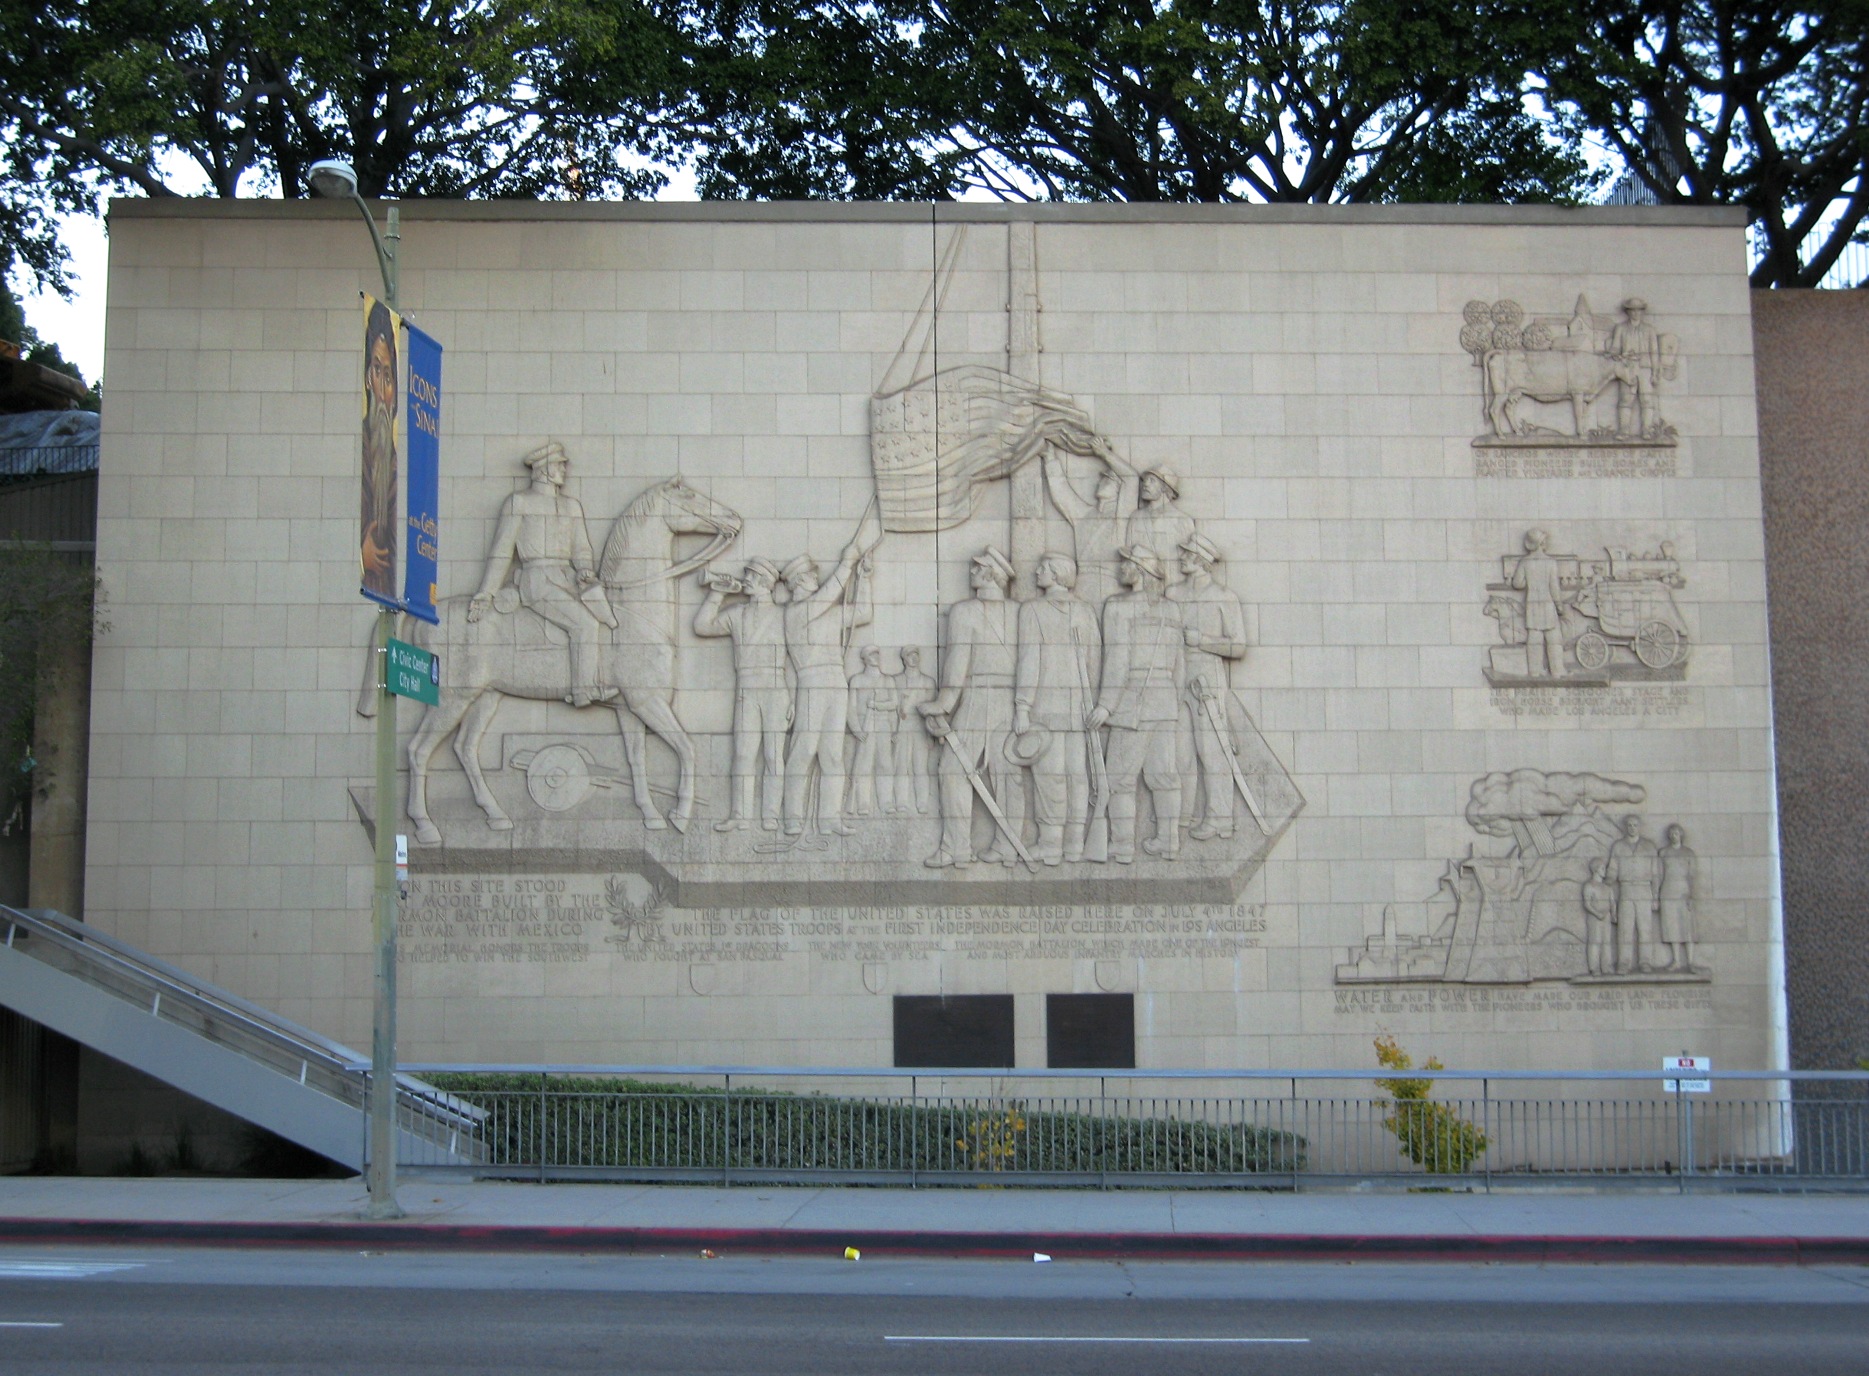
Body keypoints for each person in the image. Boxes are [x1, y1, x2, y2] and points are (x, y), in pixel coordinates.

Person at [469, 442, 617, 708]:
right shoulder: (519, 502)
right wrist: (486, 593)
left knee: (607, 617)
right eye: (559, 465)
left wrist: (584, 568)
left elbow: (582, 548)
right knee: (585, 625)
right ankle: (583, 690)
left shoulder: (572, 506)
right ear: (545, 470)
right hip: (537, 580)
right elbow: (502, 551)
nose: (564, 470)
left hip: (568, 579)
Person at [920, 547, 1023, 868]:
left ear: (992, 574)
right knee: (1009, 775)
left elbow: (957, 664)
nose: (971, 573)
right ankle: (1006, 848)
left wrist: (943, 705)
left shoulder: (965, 611)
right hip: (1013, 699)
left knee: (952, 770)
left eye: (977, 569)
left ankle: (957, 848)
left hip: (980, 696)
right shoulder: (1021, 611)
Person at [1089, 545, 1185, 862]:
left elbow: (1117, 660)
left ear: (1140, 570)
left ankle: (1122, 844)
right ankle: (1169, 841)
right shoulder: (1172, 610)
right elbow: (1179, 665)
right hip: (1166, 701)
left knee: (1119, 778)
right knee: (1163, 776)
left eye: (1126, 564)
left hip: (1133, 702)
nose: (1121, 568)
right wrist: (1174, 699)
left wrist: (1105, 705)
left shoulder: (1117, 606)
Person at [781, 531, 877, 836]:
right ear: (798, 581)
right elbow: (826, 595)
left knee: (833, 755)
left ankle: (829, 818)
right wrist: (846, 564)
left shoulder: (829, 612)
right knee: (804, 750)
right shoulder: (796, 613)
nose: (815, 578)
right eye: (811, 575)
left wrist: (863, 579)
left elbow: (863, 613)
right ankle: (793, 816)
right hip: (811, 683)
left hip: (836, 683)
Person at [1014, 552, 1103, 865]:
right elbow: (1095, 663)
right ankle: (1072, 845)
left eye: (1044, 568)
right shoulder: (1085, 611)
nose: (1037, 571)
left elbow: (1030, 661)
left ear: (1057, 575)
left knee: (1054, 777)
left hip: (1048, 707)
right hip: (1080, 708)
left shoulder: (1033, 610)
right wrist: (1093, 703)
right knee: (1075, 777)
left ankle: (1055, 845)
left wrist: (1022, 706)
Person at [693, 558, 789, 831]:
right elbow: (702, 627)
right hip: (746, 687)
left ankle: (770, 814)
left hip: (776, 688)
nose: (745, 579)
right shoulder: (737, 613)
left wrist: (792, 697)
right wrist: (717, 593)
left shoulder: (783, 614)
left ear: (765, 582)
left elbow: (797, 656)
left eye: (750, 575)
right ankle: (740, 815)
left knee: (773, 756)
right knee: (743, 754)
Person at [1169, 533, 1247, 840]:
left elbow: (1238, 646)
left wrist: (1204, 641)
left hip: (1207, 678)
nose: (1182, 558)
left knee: (1211, 750)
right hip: (1176, 675)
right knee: (1180, 751)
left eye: (1187, 554)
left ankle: (1220, 818)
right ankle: (1182, 815)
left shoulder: (1223, 597)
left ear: (1201, 561)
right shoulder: (1173, 594)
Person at [1041, 438, 1136, 607]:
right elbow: (1062, 496)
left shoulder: (1121, 515)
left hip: (1110, 583)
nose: (1101, 482)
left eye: (1108, 480)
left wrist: (1104, 454)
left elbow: (1132, 478)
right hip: (1082, 584)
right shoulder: (1085, 514)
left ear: (1119, 488)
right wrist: (1050, 460)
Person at [360, 300, 398, 600]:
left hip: (386, 586)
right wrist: (363, 555)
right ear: (367, 379)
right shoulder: (361, 445)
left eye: (389, 376)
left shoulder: (393, 460)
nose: (383, 388)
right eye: (377, 370)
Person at [1604, 814, 1661, 973]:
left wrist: (1655, 897)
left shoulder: (1649, 846)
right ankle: (1624, 962)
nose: (1632, 828)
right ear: (1625, 827)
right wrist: (1606, 883)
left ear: (1639, 826)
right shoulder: (1618, 846)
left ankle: (1645, 962)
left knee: (1645, 929)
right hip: (1626, 890)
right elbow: (1613, 870)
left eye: (1635, 825)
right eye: (1629, 825)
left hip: (1644, 890)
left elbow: (1655, 874)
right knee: (1625, 928)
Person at [847, 645, 899, 817]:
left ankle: (886, 802)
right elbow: (851, 708)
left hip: (883, 727)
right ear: (864, 658)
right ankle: (863, 804)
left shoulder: (887, 680)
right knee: (864, 766)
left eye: (877, 653)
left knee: (885, 764)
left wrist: (877, 705)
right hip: (865, 728)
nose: (876, 656)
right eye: (871, 654)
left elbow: (894, 704)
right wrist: (856, 729)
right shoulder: (857, 680)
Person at [1124, 467, 1197, 588]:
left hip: (1172, 583)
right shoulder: (1136, 517)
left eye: (1152, 480)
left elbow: (1190, 556)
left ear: (1165, 487)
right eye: (1145, 481)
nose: (1145, 484)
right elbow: (1129, 551)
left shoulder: (1182, 519)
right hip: (1143, 586)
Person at [1512, 528, 1568, 678]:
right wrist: (1559, 605)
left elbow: (1517, 583)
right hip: (1547, 603)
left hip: (1532, 603)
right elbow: (1554, 587)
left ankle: (1534, 671)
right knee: (1553, 637)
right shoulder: (1550, 562)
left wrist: (1528, 583)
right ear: (1541, 543)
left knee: (1534, 637)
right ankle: (1557, 670)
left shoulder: (1525, 562)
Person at [1606, 296, 1664, 438]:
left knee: (1646, 400)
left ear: (1642, 312)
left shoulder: (1649, 330)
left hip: (1645, 368)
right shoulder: (1620, 328)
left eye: (1638, 310)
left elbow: (1654, 352)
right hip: (1627, 368)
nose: (1635, 313)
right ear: (1628, 312)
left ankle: (1646, 430)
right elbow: (1615, 348)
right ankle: (1624, 431)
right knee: (1626, 400)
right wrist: (1619, 354)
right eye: (1632, 310)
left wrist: (1655, 372)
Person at [893, 646, 936, 814]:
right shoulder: (896, 681)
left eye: (916, 654)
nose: (913, 658)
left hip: (920, 727)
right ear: (904, 659)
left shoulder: (928, 682)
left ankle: (922, 803)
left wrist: (931, 735)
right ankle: (901, 802)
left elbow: (933, 710)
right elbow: (894, 707)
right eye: (909, 655)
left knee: (920, 767)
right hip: (903, 726)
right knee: (901, 766)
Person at [1657, 823, 1698, 972]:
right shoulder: (1663, 853)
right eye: (1672, 833)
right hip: (1668, 891)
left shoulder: (1688, 853)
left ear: (1681, 835)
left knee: (1687, 928)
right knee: (1672, 927)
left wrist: (1691, 895)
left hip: (1683, 892)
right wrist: (1656, 895)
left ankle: (1691, 962)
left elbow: (1692, 876)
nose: (1674, 836)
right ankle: (1676, 960)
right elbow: (1658, 875)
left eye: (1676, 833)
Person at [1581, 858, 1616, 977]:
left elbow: (1612, 903)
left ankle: (1606, 966)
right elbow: (1587, 904)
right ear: (1596, 870)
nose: (1605, 871)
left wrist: (1613, 915)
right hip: (1594, 918)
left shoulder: (1607, 888)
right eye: (1602, 868)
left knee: (1606, 942)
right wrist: (1597, 914)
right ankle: (1594, 967)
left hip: (1606, 917)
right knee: (1594, 942)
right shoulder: (1589, 886)